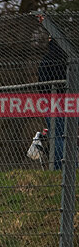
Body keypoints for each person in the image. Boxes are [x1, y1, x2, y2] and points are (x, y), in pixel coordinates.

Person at [38, 37, 67, 169]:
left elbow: (42, 85)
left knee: (57, 135)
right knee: (70, 135)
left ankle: (60, 167)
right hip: (72, 101)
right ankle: (72, 166)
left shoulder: (47, 60)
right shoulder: (70, 59)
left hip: (53, 102)